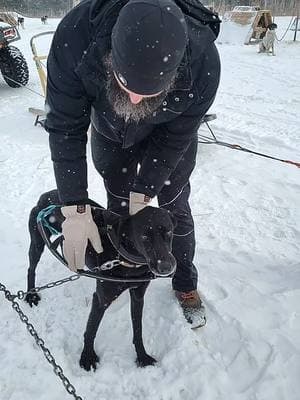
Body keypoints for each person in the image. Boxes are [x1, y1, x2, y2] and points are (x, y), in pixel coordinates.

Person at [45, 0, 221, 327]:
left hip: (168, 138)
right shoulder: (76, 37)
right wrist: (75, 207)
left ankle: (184, 282)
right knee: (120, 211)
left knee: (174, 205)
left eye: (150, 91)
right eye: (128, 86)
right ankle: (124, 270)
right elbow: (65, 126)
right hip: (111, 135)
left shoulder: (202, 62)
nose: (137, 100)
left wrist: (147, 189)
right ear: (111, 55)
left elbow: (175, 138)